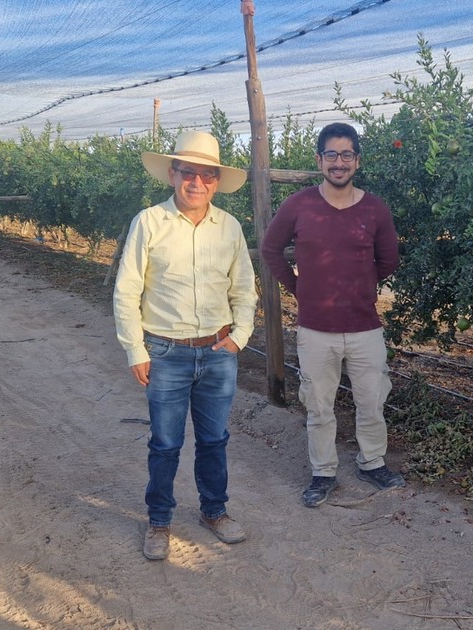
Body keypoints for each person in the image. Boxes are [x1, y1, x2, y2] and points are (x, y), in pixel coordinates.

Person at [113, 130, 258, 561]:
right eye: (188, 173)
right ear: (172, 175)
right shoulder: (149, 223)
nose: (197, 183)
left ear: (216, 181)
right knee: (165, 443)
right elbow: (127, 289)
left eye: (207, 175)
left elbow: (245, 289)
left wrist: (240, 337)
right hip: (166, 353)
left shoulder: (228, 227)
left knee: (214, 439)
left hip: (218, 353)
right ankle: (159, 520)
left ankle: (214, 511)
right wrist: (135, 349)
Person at [259, 122, 405, 508]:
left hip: (364, 328)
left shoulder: (375, 209)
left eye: (346, 155)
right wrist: (299, 288)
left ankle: (371, 463)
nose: (338, 163)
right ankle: (323, 471)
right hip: (316, 329)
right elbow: (271, 250)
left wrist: (361, 286)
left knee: (372, 400)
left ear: (357, 160)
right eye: (331, 155)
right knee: (319, 405)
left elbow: (388, 259)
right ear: (319, 160)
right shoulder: (299, 205)